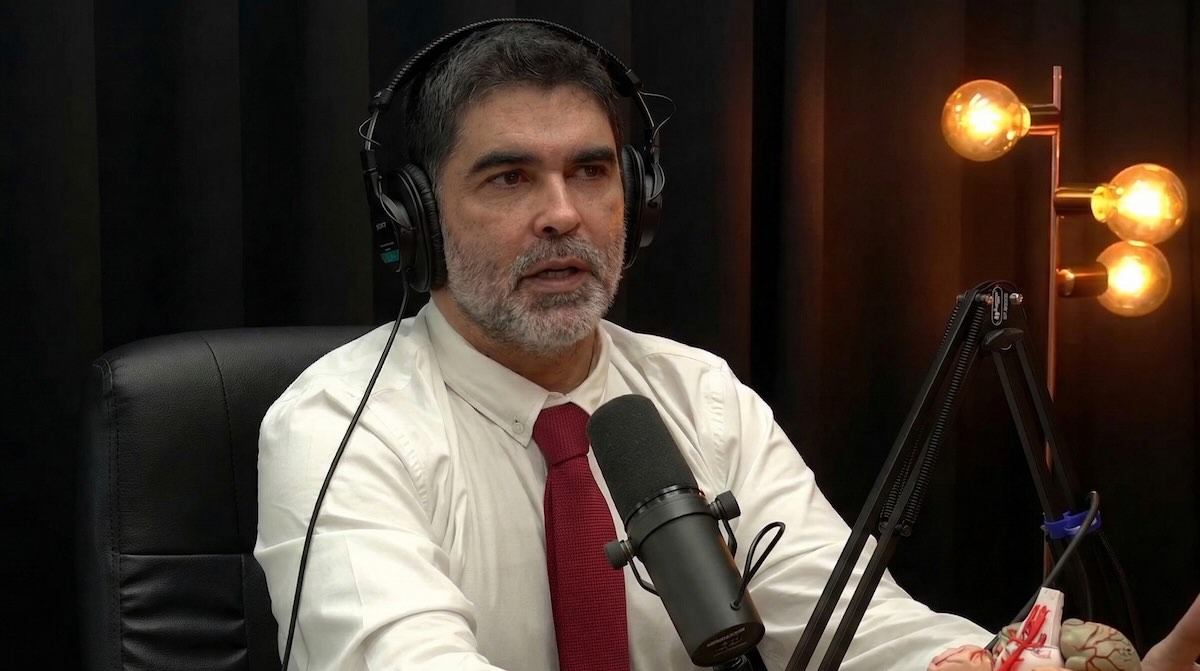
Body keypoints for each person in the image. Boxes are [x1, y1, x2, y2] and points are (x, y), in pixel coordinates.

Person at [254, 21, 1200, 671]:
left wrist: (977, 662)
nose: (563, 215)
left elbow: (849, 625)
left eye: (592, 171)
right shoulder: (337, 425)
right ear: (415, 222)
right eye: (508, 178)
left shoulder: (700, 395)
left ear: (637, 200)